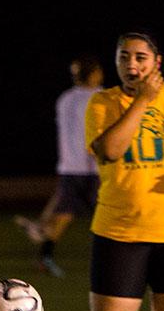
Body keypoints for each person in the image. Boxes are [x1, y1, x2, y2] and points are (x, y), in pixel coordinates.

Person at [47, 30, 164, 311]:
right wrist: (144, 102)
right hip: (119, 231)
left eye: (139, 57)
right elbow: (111, 150)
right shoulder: (103, 102)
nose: (131, 65)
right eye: (123, 58)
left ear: (157, 62)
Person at [14, 54, 104, 277]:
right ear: (94, 73)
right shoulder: (101, 97)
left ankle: (44, 249)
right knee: (108, 215)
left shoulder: (65, 99)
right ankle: (114, 259)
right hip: (94, 167)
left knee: (63, 214)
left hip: (68, 167)